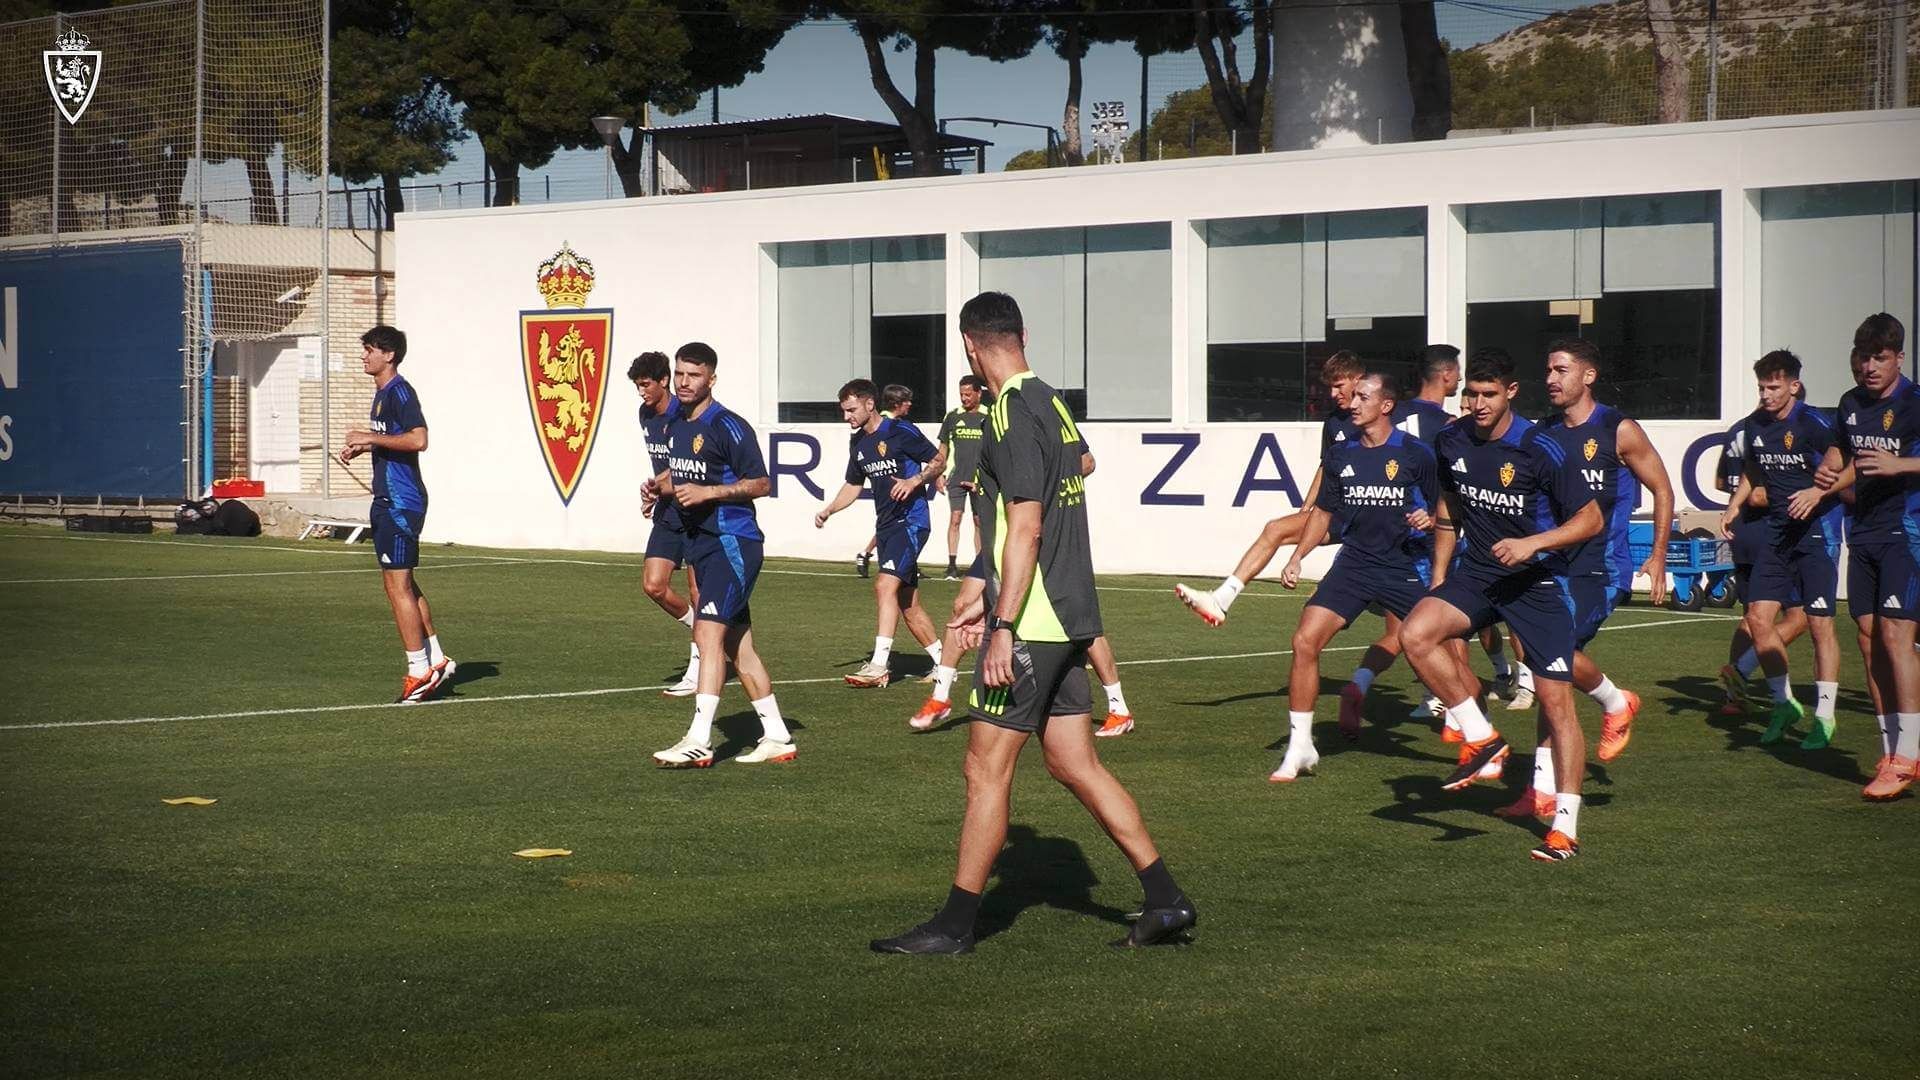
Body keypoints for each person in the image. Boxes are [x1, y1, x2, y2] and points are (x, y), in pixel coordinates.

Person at [873, 292, 1193, 954]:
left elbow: (1027, 524)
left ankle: (955, 926)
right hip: (1070, 615)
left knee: (984, 769)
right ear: (1022, 334)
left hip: (1033, 624)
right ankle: (1166, 899)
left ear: (969, 345)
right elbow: (1057, 489)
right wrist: (979, 586)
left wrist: (1003, 624)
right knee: (1075, 763)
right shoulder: (1050, 400)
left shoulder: (1009, 412)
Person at [1397, 346, 1601, 862]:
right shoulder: (1451, 440)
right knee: (1415, 633)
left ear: (1511, 392)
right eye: (1472, 394)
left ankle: (1565, 827)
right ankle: (1482, 737)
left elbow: (1591, 519)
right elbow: (1449, 507)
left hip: (1537, 582)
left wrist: (1534, 544)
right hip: (1481, 575)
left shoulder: (1541, 447)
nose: (1479, 404)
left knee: (1556, 704)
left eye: (1489, 394)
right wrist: (1440, 573)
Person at [1492, 339, 1674, 819]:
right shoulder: (1544, 433)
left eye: (1561, 370)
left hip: (1602, 568)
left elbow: (1661, 487)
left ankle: (1616, 701)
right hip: (1554, 566)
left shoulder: (1618, 429)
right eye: (1548, 370)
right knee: (1546, 670)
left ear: (1588, 376)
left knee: (1551, 661)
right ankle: (1540, 789)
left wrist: (1657, 555)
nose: (1550, 379)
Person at [1271, 370, 1439, 781]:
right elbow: (1323, 513)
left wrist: (1431, 518)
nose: (1353, 402)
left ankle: (1478, 730)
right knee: (1304, 640)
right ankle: (1300, 746)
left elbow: (1446, 508)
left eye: (1363, 397)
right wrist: (1298, 556)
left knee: (1441, 650)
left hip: (1403, 565)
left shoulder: (1417, 453)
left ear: (1386, 406)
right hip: (1354, 565)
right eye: (1354, 396)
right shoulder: (1341, 453)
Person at [909, 440, 1138, 738]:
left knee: (1080, 625)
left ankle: (1119, 708)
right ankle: (941, 696)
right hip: (1001, 539)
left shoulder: (1043, 419)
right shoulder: (992, 424)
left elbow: (1087, 462)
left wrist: (1033, 483)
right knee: (962, 607)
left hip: (1039, 536)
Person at [646, 342, 794, 768]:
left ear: (711, 379)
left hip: (734, 542)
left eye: (693, 375)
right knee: (738, 647)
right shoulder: (676, 422)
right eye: (679, 373)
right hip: (702, 544)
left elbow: (762, 483)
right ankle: (778, 735)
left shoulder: (729, 425)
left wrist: (710, 492)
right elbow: (680, 473)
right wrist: (658, 489)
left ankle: (699, 739)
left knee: (707, 634)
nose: (684, 382)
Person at [1816, 315, 1920, 799]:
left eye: (1880, 357)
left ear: (1899, 358)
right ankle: (1890, 749)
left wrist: (1901, 464)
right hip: (1862, 531)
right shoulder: (1850, 403)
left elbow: (1893, 462)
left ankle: (1908, 755)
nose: (1869, 366)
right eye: (1862, 357)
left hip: (1907, 530)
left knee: (1896, 633)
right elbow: (1842, 452)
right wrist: (1827, 468)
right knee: (1868, 637)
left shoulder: (1914, 403)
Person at [1719, 350, 1844, 749]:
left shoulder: (1814, 423)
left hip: (1817, 532)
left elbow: (1847, 460)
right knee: (1758, 618)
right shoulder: (1755, 424)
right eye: (1762, 387)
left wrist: (1817, 491)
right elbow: (1752, 470)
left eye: (1774, 387)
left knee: (1819, 624)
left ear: (1794, 386)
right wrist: (1734, 505)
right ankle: (1783, 703)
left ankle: (1824, 717)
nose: (1766, 395)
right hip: (1777, 533)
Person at [339, 325, 453, 704]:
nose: (364, 356)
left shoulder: (400, 392)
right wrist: (366, 447)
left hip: (400, 502)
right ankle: (436, 659)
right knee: (401, 584)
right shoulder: (381, 395)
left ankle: (418, 671)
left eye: (370, 350)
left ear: (389, 355)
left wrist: (370, 437)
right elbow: (395, 441)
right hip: (390, 499)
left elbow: (419, 439)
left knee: (397, 586)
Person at [814, 379, 945, 689]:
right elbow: (854, 484)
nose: (846, 416)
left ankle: (878, 666)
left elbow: (939, 460)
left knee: (884, 585)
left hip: (911, 521)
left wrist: (915, 481)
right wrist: (830, 509)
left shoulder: (900, 430)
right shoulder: (859, 443)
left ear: (870, 404)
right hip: (885, 526)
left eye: (851, 410)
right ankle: (944, 663)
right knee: (908, 604)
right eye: (844, 411)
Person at [1715, 396, 1810, 714]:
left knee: (1753, 617)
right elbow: (1757, 495)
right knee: (1798, 617)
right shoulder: (1771, 431)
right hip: (1769, 533)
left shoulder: (1737, 429)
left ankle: (1734, 697)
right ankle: (1741, 670)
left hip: (1742, 532)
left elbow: (1721, 481)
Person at [630, 351, 702, 697]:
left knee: (698, 591)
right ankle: (704, 631)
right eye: (637, 385)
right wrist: (653, 492)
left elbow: (687, 465)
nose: (641, 391)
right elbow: (662, 465)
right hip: (667, 511)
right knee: (653, 585)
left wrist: (658, 486)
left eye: (646, 384)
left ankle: (698, 667)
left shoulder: (684, 415)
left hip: (694, 511)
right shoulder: (645, 414)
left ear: (663, 381)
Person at [855, 385, 918, 577]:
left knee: (898, 588)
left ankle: (868, 554)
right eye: (906, 401)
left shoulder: (899, 425)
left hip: (903, 505)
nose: (910, 404)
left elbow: (933, 458)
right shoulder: (889, 427)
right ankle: (866, 553)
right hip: (898, 504)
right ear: (897, 403)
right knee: (886, 586)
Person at [936, 375, 990, 580]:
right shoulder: (952, 417)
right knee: (955, 518)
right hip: (957, 477)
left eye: (968, 394)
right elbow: (943, 447)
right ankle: (952, 565)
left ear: (979, 393)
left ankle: (980, 564)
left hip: (981, 478)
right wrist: (939, 473)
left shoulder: (989, 416)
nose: (964, 398)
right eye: (961, 394)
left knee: (979, 521)